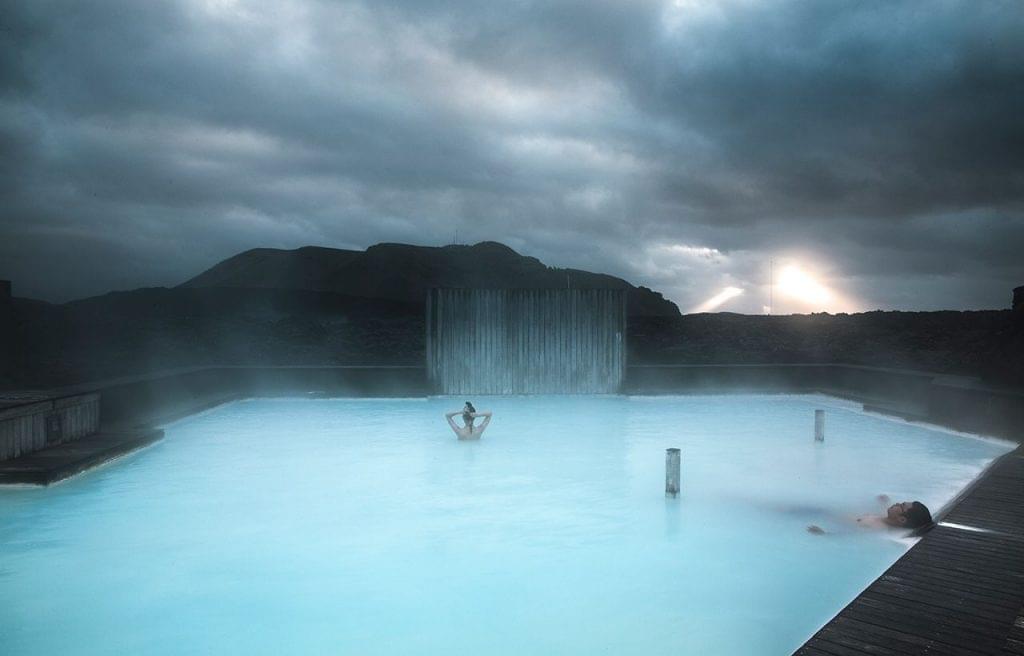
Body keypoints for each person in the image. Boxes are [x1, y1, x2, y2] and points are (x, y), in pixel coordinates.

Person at [806, 495, 933, 535]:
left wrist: (825, 534)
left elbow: (850, 536)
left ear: (902, 519)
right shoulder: (885, 519)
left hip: (822, 517)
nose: (898, 503)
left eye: (901, 505)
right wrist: (885, 502)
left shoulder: (877, 528)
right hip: (825, 513)